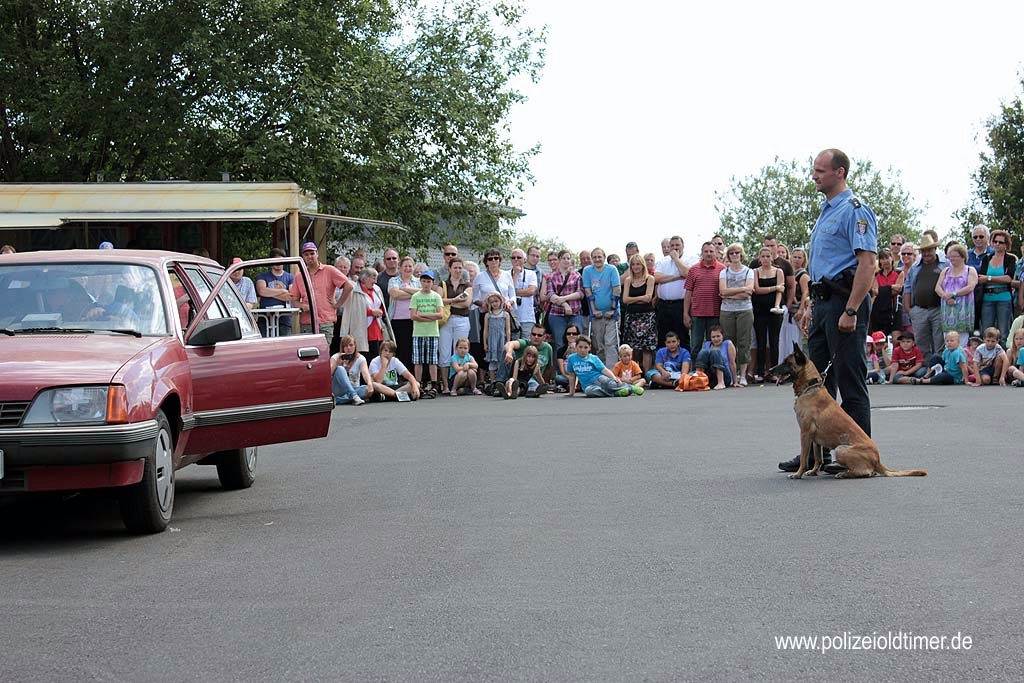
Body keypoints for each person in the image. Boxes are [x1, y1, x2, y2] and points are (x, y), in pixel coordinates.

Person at [788, 148, 878, 475]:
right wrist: (811, 304)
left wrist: (851, 310)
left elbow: (867, 263)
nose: (814, 176)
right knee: (817, 382)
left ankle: (861, 455)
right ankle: (814, 456)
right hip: (825, 302)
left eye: (820, 171)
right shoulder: (827, 210)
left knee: (850, 379)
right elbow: (823, 265)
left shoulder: (855, 210)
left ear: (839, 172)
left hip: (845, 301)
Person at [290, 242, 353, 343]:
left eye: (312, 253)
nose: (309, 257)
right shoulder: (299, 276)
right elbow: (294, 299)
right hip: (307, 322)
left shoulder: (329, 270)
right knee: (308, 353)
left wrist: (338, 304)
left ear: (317, 254)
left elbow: (349, 286)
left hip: (325, 321)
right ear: (303, 257)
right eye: (306, 254)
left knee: (323, 353)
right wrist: (302, 305)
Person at [903, 234, 945, 359]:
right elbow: (907, 288)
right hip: (919, 309)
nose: (926, 253)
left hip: (938, 308)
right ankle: (926, 369)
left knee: (939, 341)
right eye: (924, 251)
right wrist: (909, 309)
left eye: (929, 250)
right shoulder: (914, 268)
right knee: (921, 341)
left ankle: (939, 368)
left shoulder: (944, 265)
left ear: (935, 249)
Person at [719, 243, 754, 386]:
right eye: (731, 253)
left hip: (744, 310)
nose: (734, 255)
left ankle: (743, 375)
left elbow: (749, 292)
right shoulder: (724, 272)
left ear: (741, 254)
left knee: (744, 342)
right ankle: (731, 374)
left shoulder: (748, 271)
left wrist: (730, 293)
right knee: (728, 342)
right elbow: (723, 291)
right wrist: (741, 290)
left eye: (737, 252)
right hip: (727, 311)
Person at [564, 335, 642, 397]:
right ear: (576, 347)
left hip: (598, 378)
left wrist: (614, 378)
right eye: (580, 347)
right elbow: (572, 375)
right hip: (588, 385)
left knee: (609, 383)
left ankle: (630, 388)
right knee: (589, 392)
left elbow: (604, 370)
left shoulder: (593, 358)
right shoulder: (572, 358)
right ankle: (616, 393)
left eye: (585, 347)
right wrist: (572, 392)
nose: (582, 350)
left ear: (589, 348)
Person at [684, 241, 725, 357]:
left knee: (714, 344)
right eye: (706, 251)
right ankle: (696, 371)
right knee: (695, 345)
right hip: (697, 313)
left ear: (716, 253)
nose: (709, 254)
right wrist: (685, 313)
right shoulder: (693, 269)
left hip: (715, 313)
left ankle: (712, 372)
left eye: (711, 251)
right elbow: (688, 292)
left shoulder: (723, 269)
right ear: (702, 253)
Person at [438, 258, 473, 392]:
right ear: (450, 269)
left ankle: (457, 384)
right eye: (455, 268)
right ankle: (446, 385)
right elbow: (439, 301)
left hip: (462, 320)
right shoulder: (443, 284)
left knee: (460, 351)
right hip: (446, 319)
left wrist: (449, 302)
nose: (458, 270)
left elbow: (466, 303)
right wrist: (454, 300)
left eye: (460, 268)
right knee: (445, 353)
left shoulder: (467, 285)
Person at [581, 247, 621, 366]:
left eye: (600, 257)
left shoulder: (612, 269)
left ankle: (612, 373)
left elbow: (617, 289)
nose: (597, 259)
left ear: (604, 257)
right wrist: (594, 310)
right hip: (596, 313)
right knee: (599, 345)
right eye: (595, 257)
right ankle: (601, 371)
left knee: (610, 343)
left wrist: (612, 309)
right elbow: (588, 291)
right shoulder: (587, 271)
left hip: (611, 313)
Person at [751, 247, 785, 383]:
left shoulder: (778, 271)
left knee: (774, 341)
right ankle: (760, 372)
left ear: (772, 257)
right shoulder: (755, 272)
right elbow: (757, 290)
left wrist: (776, 305)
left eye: (768, 256)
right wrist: (774, 288)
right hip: (759, 310)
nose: (765, 259)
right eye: (763, 256)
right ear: (759, 258)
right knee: (760, 341)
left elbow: (780, 290)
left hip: (774, 311)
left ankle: (774, 372)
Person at [936, 242, 978, 348]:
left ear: (963, 257)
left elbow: (970, 286)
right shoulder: (945, 271)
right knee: (948, 337)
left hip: (963, 308)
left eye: (955, 256)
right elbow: (937, 287)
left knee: (962, 338)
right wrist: (945, 296)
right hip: (947, 308)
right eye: (950, 256)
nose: (952, 258)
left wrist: (953, 294)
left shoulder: (970, 270)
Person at [410, 269, 444, 398]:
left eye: (428, 281)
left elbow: (440, 314)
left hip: (432, 332)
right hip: (418, 332)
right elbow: (413, 315)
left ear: (432, 282)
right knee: (418, 360)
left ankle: (434, 384)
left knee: (432, 360)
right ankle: (418, 384)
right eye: (424, 281)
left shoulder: (436, 296)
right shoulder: (416, 296)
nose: (426, 284)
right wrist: (431, 316)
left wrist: (423, 314)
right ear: (421, 282)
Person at [978, 229, 1017, 344]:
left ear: (1006, 245)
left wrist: (989, 278)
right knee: (986, 332)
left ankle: (1003, 359)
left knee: (1003, 332)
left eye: (1001, 242)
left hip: (1004, 299)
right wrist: (997, 279)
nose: (997, 244)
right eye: (995, 241)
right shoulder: (987, 258)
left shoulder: (1010, 259)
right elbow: (981, 278)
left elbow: (1008, 278)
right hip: (987, 298)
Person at [620, 254, 657, 371]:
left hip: (647, 317)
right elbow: (625, 299)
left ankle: (647, 375)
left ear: (643, 265)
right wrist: (641, 298)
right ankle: (633, 373)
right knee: (632, 348)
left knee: (647, 348)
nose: (636, 267)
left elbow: (648, 298)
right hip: (631, 317)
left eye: (638, 264)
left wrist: (634, 299)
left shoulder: (650, 278)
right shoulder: (628, 280)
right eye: (633, 264)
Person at [540, 250, 584, 346]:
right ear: (559, 260)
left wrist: (564, 298)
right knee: (560, 343)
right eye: (564, 258)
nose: (566, 260)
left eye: (568, 258)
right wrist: (564, 305)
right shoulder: (551, 277)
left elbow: (580, 293)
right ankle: (559, 361)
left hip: (575, 313)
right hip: (556, 314)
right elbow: (550, 294)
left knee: (576, 342)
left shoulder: (576, 276)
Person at [653, 236, 689, 347]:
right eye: (672, 245)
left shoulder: (689, 259)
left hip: (680, 304)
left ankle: (684, 363)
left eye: (677, 245)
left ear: (683, 246)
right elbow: (657, 277)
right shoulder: (663, 261)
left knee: (681, 336)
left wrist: (676, 259)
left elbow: (687, 273)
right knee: (663, 336)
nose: (674, 248)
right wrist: (677, 277)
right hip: (663, 305)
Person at [387, 256, 419, 371]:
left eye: (410, 266)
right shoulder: (393, 281)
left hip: (414, 319)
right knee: (399, 348)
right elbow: (395, 294)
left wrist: (404, 289)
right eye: (405, 266)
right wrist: (414, 293)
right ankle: (399, 375)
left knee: (411, 348)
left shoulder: (418, 281)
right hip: (397, 320)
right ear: (400, 268)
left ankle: (411, 374)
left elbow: (423, 294)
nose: (408, 268)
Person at [255, 247, 295, 336]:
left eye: (280, 261)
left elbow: (291, 296)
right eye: (275, 261)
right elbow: (261, 291)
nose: (278, 264)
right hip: (264, 319)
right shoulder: (262, 276)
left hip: (284, 320)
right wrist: (283, 290)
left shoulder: (290, 277)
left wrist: (269, 293)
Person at [502, 324, 556, 388]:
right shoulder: (525, 343)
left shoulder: (548, 348)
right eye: (534, 334)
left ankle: (533, 391)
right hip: (520, 378)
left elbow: (549, 367)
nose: (536, 337)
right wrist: (509, 353)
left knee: (532, 385)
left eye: (539, 335)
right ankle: (500, 383)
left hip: (535, 380)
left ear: (544, 337)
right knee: (507, 351)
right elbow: (510, 344)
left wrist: (546, 385)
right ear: (530, 335)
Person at [330, 335, 373, 406]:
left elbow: (365, 373)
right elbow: (327, 375)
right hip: (339, 389)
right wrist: (337, 364)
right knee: (340, 369)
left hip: (354, 387)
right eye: (346, 346)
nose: (349, 348)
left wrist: (369, 384)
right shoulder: (336, 357)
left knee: (366, 389)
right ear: (342, 347)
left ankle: (340, 400)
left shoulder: (361, 358)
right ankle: (353, 396)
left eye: (351, 345)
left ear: (355, 346)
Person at [968, 224, 994, 333]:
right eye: (975, 237)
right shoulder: (967, 254)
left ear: (987, 238)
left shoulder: (993, 253)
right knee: (972, 326)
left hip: (988, 294)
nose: (978, 239)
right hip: (970, 295)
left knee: (987, 327)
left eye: (981, 236)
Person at [482, 292, 511, 387]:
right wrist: (485, 343)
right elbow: (485, 330)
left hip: (501, 340)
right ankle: (492, 381)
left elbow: (508, 329)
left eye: (496, 301)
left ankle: (501, 380)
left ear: (501, 301)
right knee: (492, 362)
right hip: (492, 341)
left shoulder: (505, 315)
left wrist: (509, 342)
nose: (494, 304)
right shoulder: (488, 315)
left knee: (501, 361)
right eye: (491, 302)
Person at [869, 247, 900, 336]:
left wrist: (882, 289)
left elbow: (898, 289)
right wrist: (891, 287)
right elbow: (875, 291)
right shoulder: (876, 275)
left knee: (895, 339)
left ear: (892, 258)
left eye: (887, 258)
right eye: (882, 258)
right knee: (877, 337)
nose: (885, 261)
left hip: (894, 309)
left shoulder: (899, 273)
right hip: (878, 309)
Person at [695, 325, 736, 390]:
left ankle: (721, 382)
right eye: (713, 337)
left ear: (722, 336)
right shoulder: (707, 344)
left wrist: (735, 381)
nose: (716, 339)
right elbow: (703, 360)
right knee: (703, 352)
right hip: (710, 376)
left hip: (725, 376)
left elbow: (732, 363)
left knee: (715, 352)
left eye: (718, 336)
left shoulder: (727, 344)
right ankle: (698, 380)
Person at [509, 248, 538, 333]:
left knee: (527, 343)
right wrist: (516, 273)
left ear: (525, 260)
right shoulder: (506, 274)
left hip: (527, 317)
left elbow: (531, 291)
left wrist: (513, 292)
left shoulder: (531, 274)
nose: (516, 259)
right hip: (512, 316)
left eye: (519, 257)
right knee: (513, 343)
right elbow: (507, 293)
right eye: (513, 258)